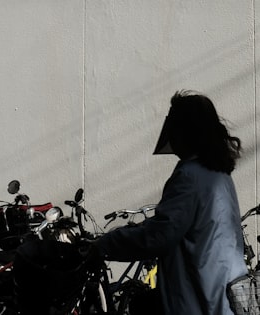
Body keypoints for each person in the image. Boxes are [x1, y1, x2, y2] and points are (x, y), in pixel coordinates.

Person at [95, 90, 248, 315]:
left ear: (186, 131)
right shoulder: (218, 174)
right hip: (219, 291)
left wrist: (105, 244)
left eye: (175, 125)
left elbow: (160, 235)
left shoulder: (190, 175)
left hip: (198, 297)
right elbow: (174, 224)